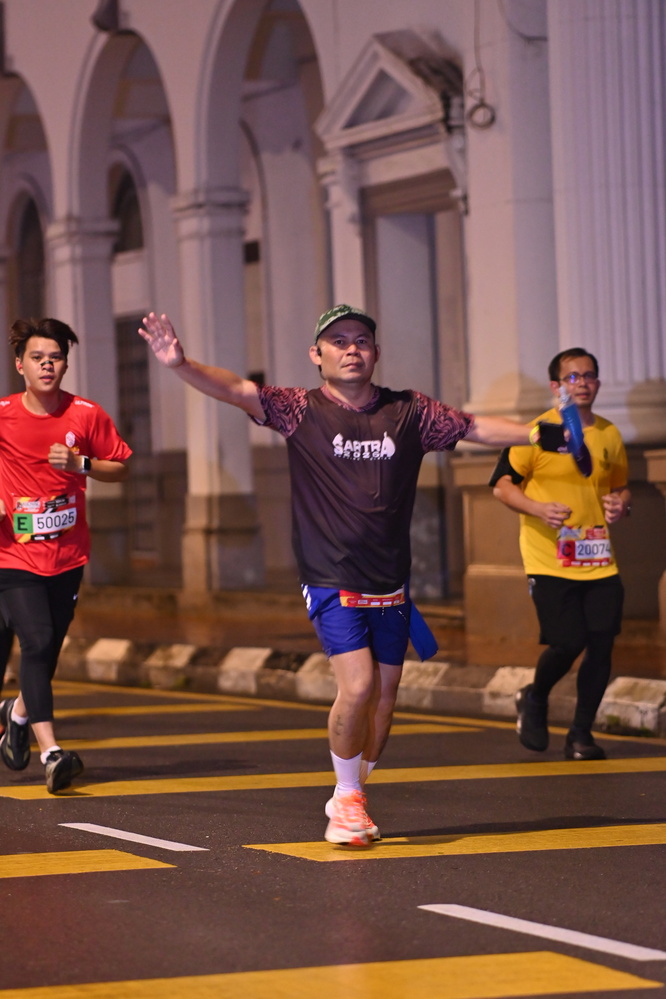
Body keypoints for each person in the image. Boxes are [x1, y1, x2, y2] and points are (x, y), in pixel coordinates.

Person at [139, 304, 538, 846]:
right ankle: (347, 800)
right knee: (359, 685)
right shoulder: (298, 409)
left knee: (385, 700)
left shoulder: (410, 411)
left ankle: (350, 793)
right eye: (339, 341)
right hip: (330, 574)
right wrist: (181, 365)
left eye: (362, 341)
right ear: (317, 354)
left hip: (390, 580)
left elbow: (474, 427)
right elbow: (235, 389)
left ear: (376, 352)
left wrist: (539, 434)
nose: (352, 349)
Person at [0, 318, 132, 793]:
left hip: (69, 554)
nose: (46, 365)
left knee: (50, 646)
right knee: (36, 641)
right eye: (37, 358)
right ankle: (52, 752)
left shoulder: (86, 414)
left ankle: (16, 712)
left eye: (54, 358)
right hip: (12, 555)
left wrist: (81, 464)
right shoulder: (4, 414)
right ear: (20, 365)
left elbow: (121, 465)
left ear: (65, 364)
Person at [490, 348, 631, 761]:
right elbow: (502, 486)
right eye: (572, 377)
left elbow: (620, 487)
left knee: (601, 646)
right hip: (549, 558)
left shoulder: (609, 433)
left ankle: (580, 734)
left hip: (599, 557)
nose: (582, 383)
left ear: (598, 383)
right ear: (556, 386)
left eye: (589, 376)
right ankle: (534, 696)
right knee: (568, 642)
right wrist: (538, 508)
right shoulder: (538, 433)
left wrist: (621, 504)